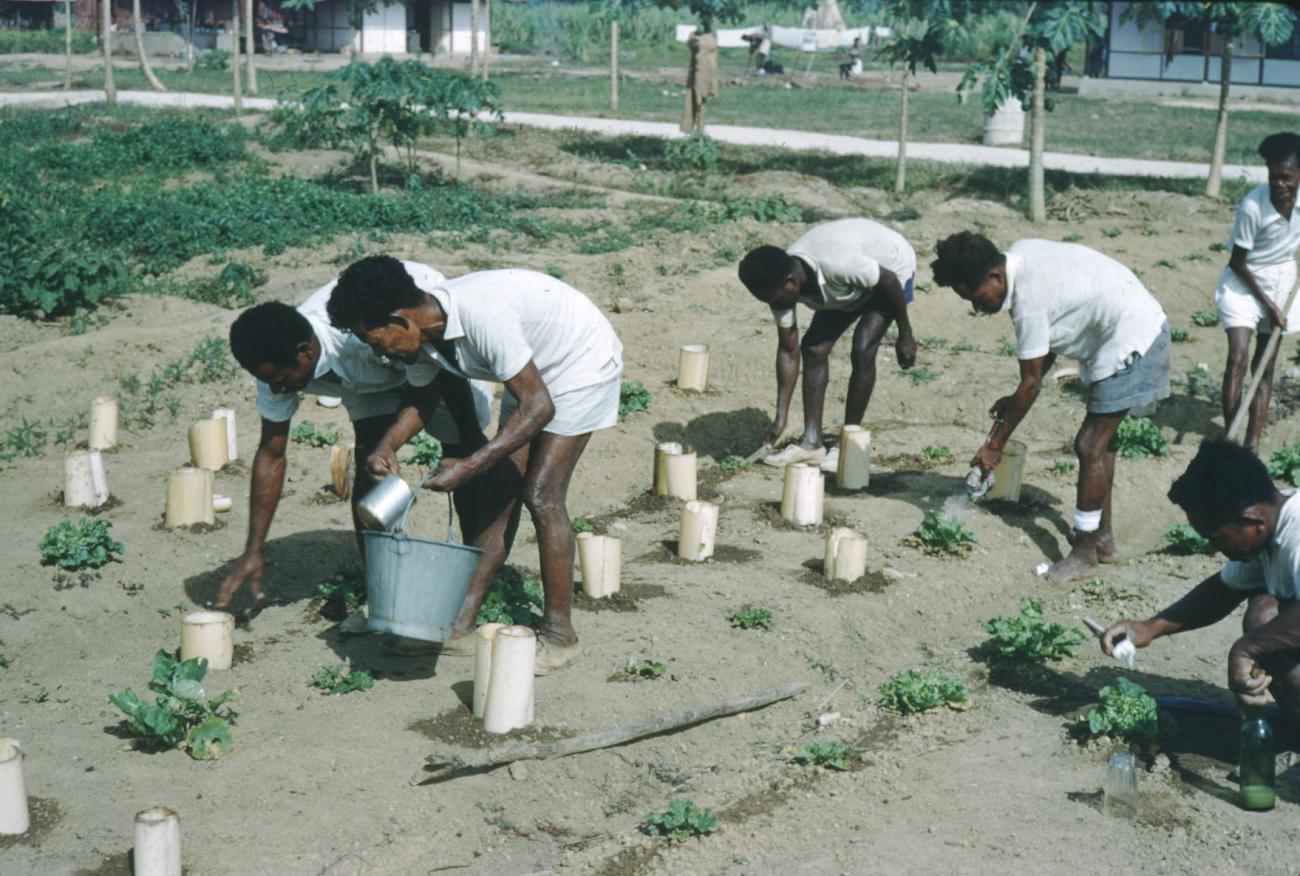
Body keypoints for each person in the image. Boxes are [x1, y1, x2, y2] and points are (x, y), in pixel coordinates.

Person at [326, 259, 624, 675]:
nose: (379, 354)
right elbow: (423, 401)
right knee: (500, 492)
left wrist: (470, 464)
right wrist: (387, 444)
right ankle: (458, 626)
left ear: (400, 318)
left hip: (579, 362)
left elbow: (539, 407)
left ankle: (560, 636)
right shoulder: (423, 338)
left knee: (541, 493)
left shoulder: (482, 314)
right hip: (532, 375)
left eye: (376, 342)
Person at [215, 261, 494, 614]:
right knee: (370, 463)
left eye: (284, 379)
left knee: (461, 451)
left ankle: (477, 575)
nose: (278, 389)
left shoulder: (360, 333)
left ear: (305, 352)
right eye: (270, 382)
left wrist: (469, 443)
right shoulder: (274, 364)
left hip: (425, 347)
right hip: (368, 377)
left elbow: (442, 377)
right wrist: (254, 549)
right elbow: (271, 454)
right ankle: (381, 586)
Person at [932, 232, 1171, 583]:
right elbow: (1040, 363)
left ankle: (1084, 554)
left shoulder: (1028, 300)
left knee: (1090, 445)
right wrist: (1016, 399)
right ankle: (1101, 540)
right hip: (1128, 326)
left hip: (1135, 337)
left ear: (996, 277)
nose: (975, 306)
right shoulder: (1021, 255)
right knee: (1102, 444)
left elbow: (1031, 384)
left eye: (975, 295)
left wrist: (994, 446)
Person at [1101, 440, 1300, 742]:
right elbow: (1223, 591)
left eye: (1216, 538)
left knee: (1263, 627)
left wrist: (1247, 649)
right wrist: (1150, 628)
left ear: (1253, 520)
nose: (1213, 548)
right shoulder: (1271, 528)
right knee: (1264, 614)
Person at [738, 218, 918, 473]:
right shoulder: (779, 287)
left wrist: (905, 335)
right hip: (849, 287)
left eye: (772, 299)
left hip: (890, 271)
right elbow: (789, 351)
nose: (772, 304)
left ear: (791, 282)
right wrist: (780, 418)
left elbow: (887, 280)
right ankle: (812, 443)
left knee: (863, 347)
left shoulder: (838, 262)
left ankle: (846, 442)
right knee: (813, 349)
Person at [1215, 132, 1300, 453]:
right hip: (1243, 283)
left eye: (1287, 177)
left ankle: (1251, 444)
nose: (1280, 184)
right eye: (1274, 176)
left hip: (1281, 282)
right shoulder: (1253, 206)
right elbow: (1237, 262)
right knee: (1237, 359)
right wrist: (1269, 306)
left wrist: (1278, 304)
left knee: (1265, 368)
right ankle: (1230, 439)